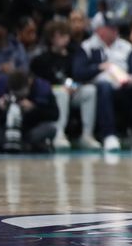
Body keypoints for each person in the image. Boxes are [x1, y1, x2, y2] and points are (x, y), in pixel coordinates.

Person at [72, 12, 132, 152]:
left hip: (124, 86)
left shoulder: (126, 46)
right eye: (111, 27)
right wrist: (99, 67)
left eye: (116, 27)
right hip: (101, 88)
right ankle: (109, 134)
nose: (115, 30)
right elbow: (78, 73)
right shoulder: (87, 47)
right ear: (99, 29)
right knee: (104, 86)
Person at [30, 20, 100, 150]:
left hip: (72, 90)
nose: (64, 39)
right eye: (59, 35)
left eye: (65, 35)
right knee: (61, 92)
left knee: (90, 90)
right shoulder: (41, 59)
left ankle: (87, 135)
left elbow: (77, 76)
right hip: (51, 94)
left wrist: (73, 86)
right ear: (51, 37)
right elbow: (42, 82)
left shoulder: (74, 55)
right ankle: (58, 134)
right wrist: (61, 87)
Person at [0, 70, 58, 153]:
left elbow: (55, 114)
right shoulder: (0, 84)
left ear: (29, 83)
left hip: (30, 131)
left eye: (21, 94)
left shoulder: (42, 88)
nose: (18, 97)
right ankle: (24, 146)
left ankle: (13, 145)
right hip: (4, 131)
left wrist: (34, 108)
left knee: (51, 128)